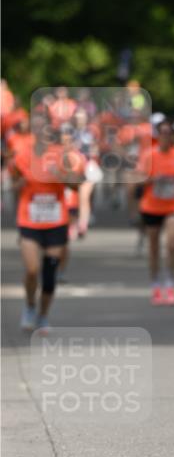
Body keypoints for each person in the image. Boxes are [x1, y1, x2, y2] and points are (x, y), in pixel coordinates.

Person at [10, 113, 84, 333]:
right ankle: (30, 306)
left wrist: (61, 175)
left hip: (55, 223)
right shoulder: (22, 156)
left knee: (49, 275)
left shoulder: (61, 155)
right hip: (29, 221)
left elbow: (77, 185)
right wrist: (20, 183)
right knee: (32, 269)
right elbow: (13, 184)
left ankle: (43, 316)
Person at [135, 119, 174, 305]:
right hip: (151, 205)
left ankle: (170, 285)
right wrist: (152, 179)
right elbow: (138, 178)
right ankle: (156, 285)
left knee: (172, 245)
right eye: (162, 133)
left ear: (173, 136)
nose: (166, 136)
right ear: (158, 135)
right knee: (154, 247)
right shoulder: (149, 154)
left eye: (169, 133)